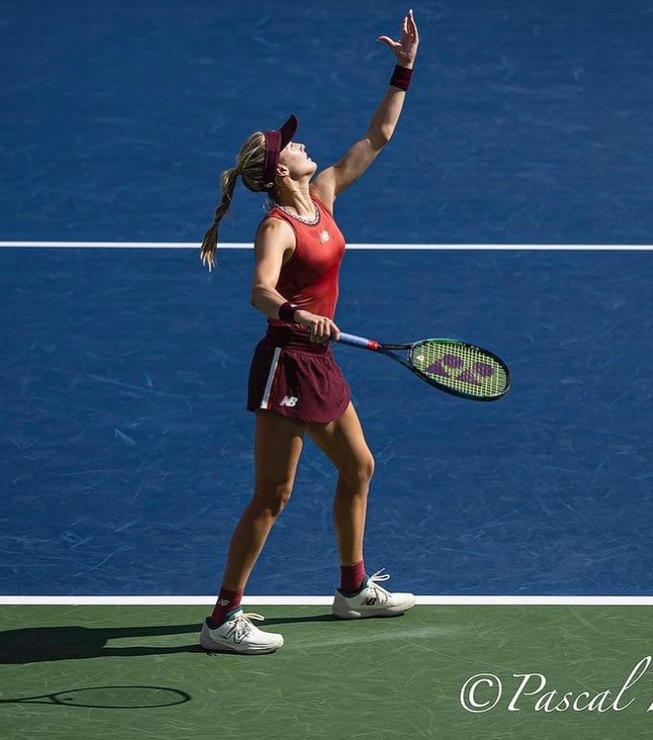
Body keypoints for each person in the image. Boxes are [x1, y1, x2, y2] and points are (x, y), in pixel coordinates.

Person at [198, 9, 420, 654]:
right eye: (290, 143)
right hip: (289, 362)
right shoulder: (276, 226)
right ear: (280, 171)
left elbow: (377, 137)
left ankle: (351, 590)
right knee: (274, 494)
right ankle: (220, 620)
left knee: (359, 468)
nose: (301, 142)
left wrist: (404, 66)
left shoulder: (322, 194)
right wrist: (301, 315)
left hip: (318, 360)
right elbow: (259, 292)